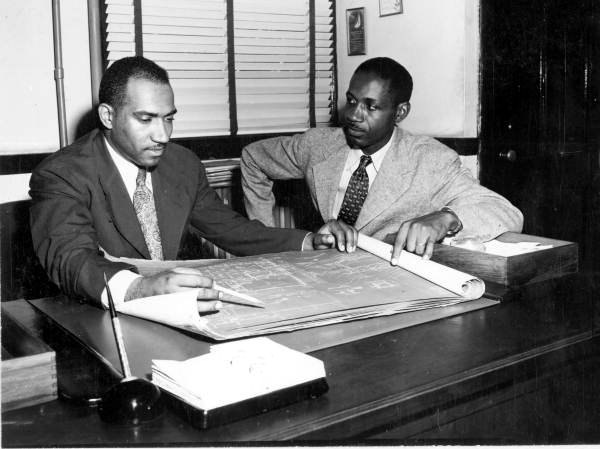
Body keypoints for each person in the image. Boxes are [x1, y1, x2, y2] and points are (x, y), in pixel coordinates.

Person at [29, 56, 344, 311]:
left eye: (168, 118)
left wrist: (306, 242)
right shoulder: (62, 173)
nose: (163, 135)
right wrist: (140, 287)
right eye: (146, 119)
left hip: (176, 309)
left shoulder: (182, 164)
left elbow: (232, 230)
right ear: (108, 117)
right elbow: (70, 259)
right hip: (101, 312)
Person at [241, 57, 524, 264]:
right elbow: (253, 158)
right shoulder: (318, 145)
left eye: (370, 106)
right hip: (322, 270)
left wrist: (446, 219)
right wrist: (270, 244)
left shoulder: (429, 160)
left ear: (400, 113)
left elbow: (505, 211)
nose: (353, 115)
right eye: (351, 101)